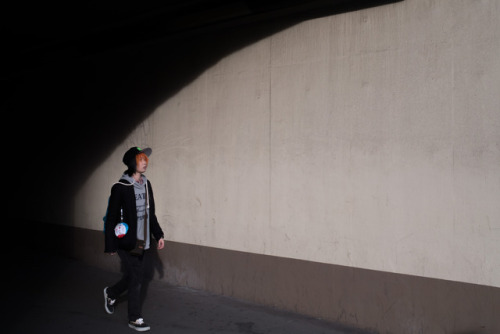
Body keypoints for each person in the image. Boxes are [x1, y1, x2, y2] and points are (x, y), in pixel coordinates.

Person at [104, 147, 165, 332]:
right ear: (132, 162)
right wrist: (111, 245)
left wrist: (159, 234)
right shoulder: (120, 187)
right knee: (137, 278)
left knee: (133, 276)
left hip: (143, 241)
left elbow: (150, 213)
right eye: (140, 159)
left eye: (145, 159)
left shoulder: (147, 184)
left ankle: (111, 293)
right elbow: (112, 217)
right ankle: (134, 318)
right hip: (127, 241)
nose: (145, 162)